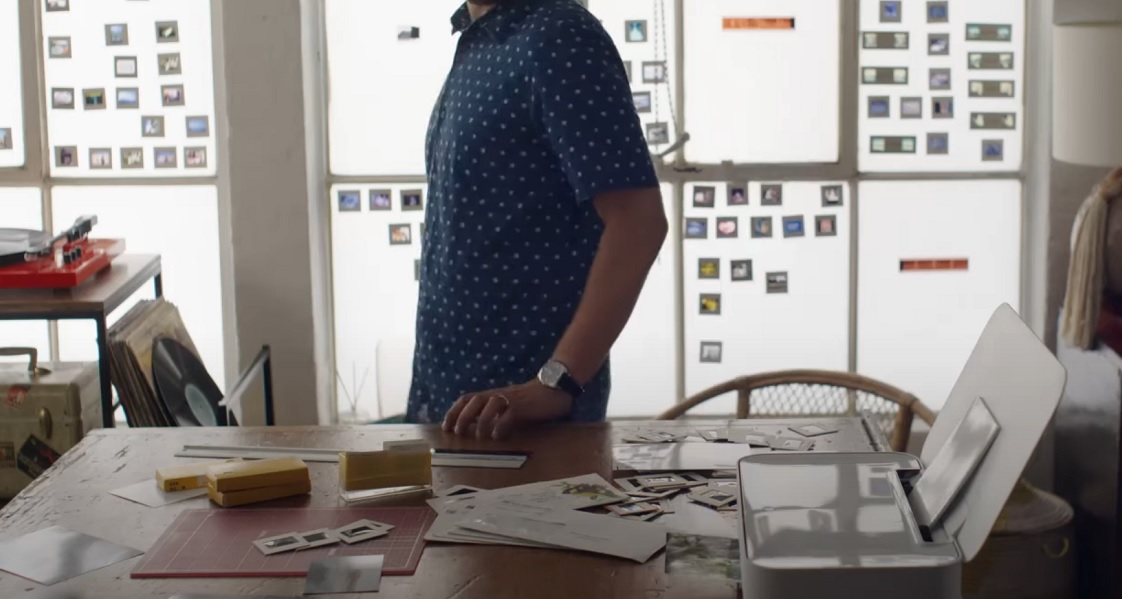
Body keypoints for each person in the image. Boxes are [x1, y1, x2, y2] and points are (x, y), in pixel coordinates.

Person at [408, 0, 667, 440]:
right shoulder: (478, 40)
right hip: (452, 403)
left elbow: (638, 223)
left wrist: (558, 381)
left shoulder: (561, 37)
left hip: (523, 421)